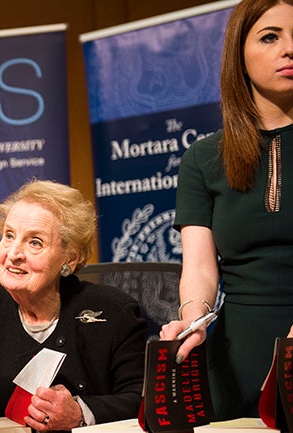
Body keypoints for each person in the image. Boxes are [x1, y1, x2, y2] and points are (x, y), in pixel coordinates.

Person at [159, 0, 293, 421]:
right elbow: (199, 268)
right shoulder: (202, 158)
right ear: (239, 54)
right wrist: (193, 319)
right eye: (271, 37)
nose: (289, 49)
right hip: (235, 361)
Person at [0, 179, 148, 432]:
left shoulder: (114, 311)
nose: (14, 253)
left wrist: (80, 413)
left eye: (35, 242)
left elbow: (138, 400)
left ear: (69, 258)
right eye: (9, 236)